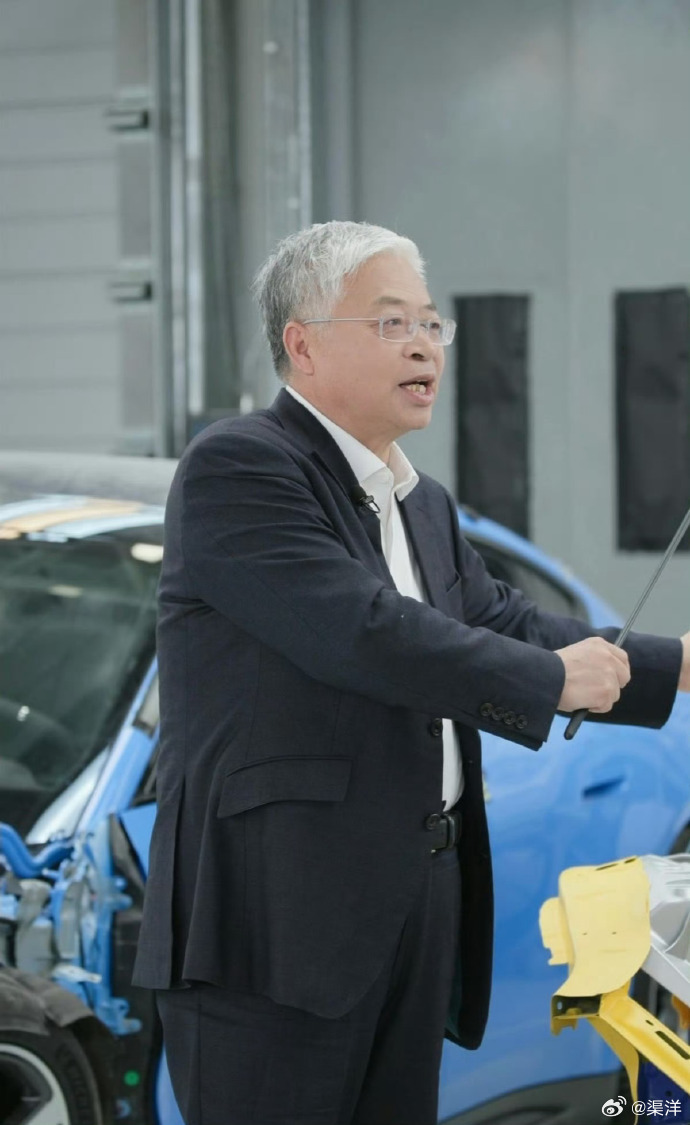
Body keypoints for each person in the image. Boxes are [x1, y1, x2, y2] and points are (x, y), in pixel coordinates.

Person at [132, 220, 690, 1125]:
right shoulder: (239, 467)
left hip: (413, 902)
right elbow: (364, 632)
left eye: (432, 322)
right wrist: (552, 681)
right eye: (392, 322)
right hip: (277, 920)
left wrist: (678, 664)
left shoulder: (420, 501)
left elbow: (501, 620)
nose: (425, 344)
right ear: (302, 344)